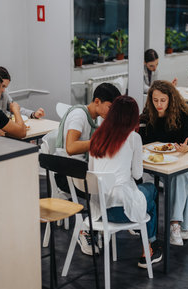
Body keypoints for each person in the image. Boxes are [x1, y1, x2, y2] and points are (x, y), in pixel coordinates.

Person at [89, 95, 162, 268]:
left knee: (143, 197)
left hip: (98, 211)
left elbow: (91, 172)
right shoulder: (133, 138)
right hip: (120, 212)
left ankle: (146, 239)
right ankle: (150, 247)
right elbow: (137, 175)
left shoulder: (96, 136)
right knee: (151, 190)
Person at [55, 82, 121, 256]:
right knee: (104, 188)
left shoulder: (93, 118)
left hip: (78, 170)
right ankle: (87, 229)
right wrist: (99, 143)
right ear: (97, 101)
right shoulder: (79, 115)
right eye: (110, 107)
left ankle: (101, 225)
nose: (111, 112)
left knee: (109, 183)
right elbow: (70, 147)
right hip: (67, 174)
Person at [139, 80, 188, 246]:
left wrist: (187, 147)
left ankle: (174, 224)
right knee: (184, 181)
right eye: (155, 100)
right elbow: (142, 140)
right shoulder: (148, 114)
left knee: (180, 176)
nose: (158, 104)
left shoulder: (183, 114)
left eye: (162, 100)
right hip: (154, 164)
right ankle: (181, 227)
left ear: (171, 99)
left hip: (177, 161)